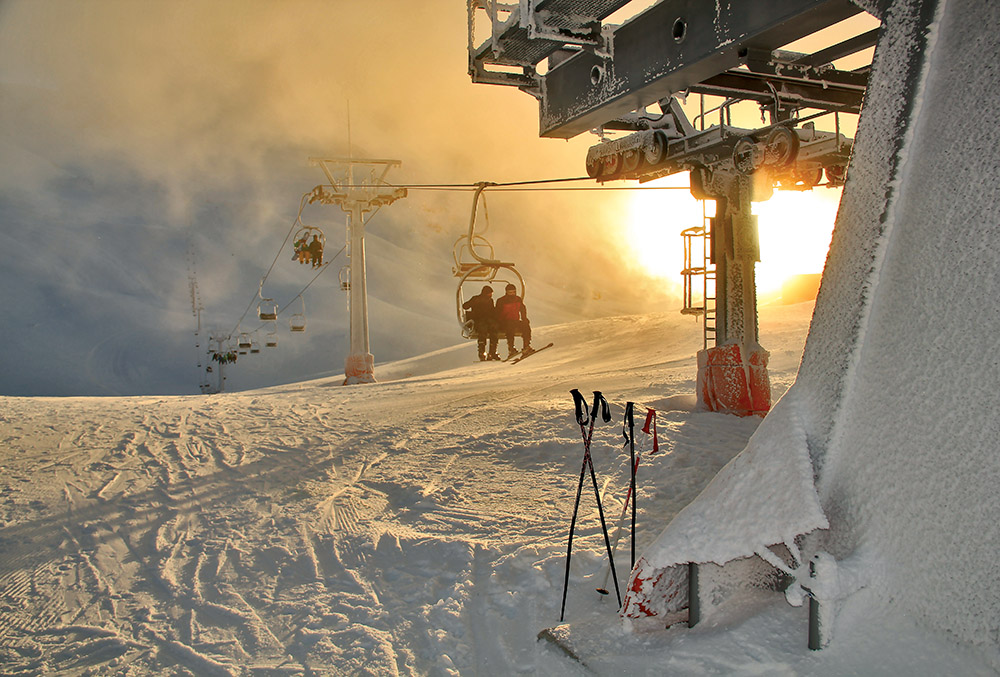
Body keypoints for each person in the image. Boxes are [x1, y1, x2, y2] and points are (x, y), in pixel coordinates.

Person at [462, 285, 500, 361]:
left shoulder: (488, 300)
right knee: (484, 329)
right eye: (490, 294)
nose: (490, 295)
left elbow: (492, 311)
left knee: (493, 328)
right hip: (479, 320)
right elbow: (465, 306)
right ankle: (484, 352)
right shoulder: (476, 299)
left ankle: (490, 352)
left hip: (487, 320)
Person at [495, 283, 531, 358]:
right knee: (510, 326)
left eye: (513, 292)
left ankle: (526, 346)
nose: (512, 294)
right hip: (504, 322)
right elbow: (497, 313)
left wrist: (524, 318)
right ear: (506, 292)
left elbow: (522, 309)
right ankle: (511, 348)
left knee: (525, 325)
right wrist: (499, 322)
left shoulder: (518, 299)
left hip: (515, 321)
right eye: (510, 292)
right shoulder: (501, 301)